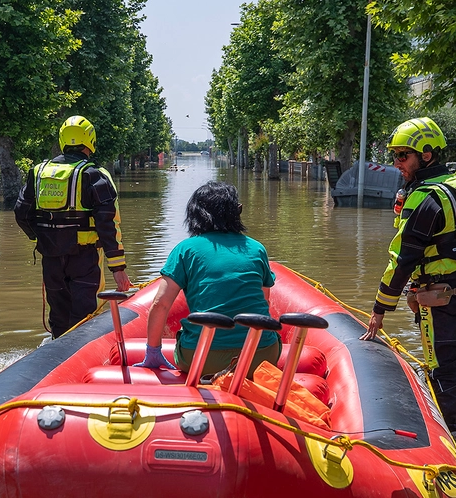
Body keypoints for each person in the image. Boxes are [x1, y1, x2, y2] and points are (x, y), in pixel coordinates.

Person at [360, 117, 456, 432]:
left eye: (402, 155)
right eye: (394, 156)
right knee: (454, 356)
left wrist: (380, 308)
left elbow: (403, 259)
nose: (396, 163)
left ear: (426, 155)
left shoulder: (425, 198)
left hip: (442, 298)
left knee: (442, 370)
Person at [136, 181, 279, 378]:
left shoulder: (186, 250)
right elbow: (264, 302)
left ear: (194, 215)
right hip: (260, 357)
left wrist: (153, 351)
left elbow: (160, 304)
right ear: (238, 212)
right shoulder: (256, 249)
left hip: (201, 359)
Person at [15, 115, 132, 336]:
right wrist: (118, 268)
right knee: (87, 319)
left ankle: (56, 360)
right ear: (90, 141)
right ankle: (84, 362)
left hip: (51, 259)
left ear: (62, 140)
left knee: (59, 318)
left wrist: (40, 238)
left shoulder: (38, 172)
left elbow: (21, 213)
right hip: (85, 260)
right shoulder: (95, 175)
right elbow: (108, 224)